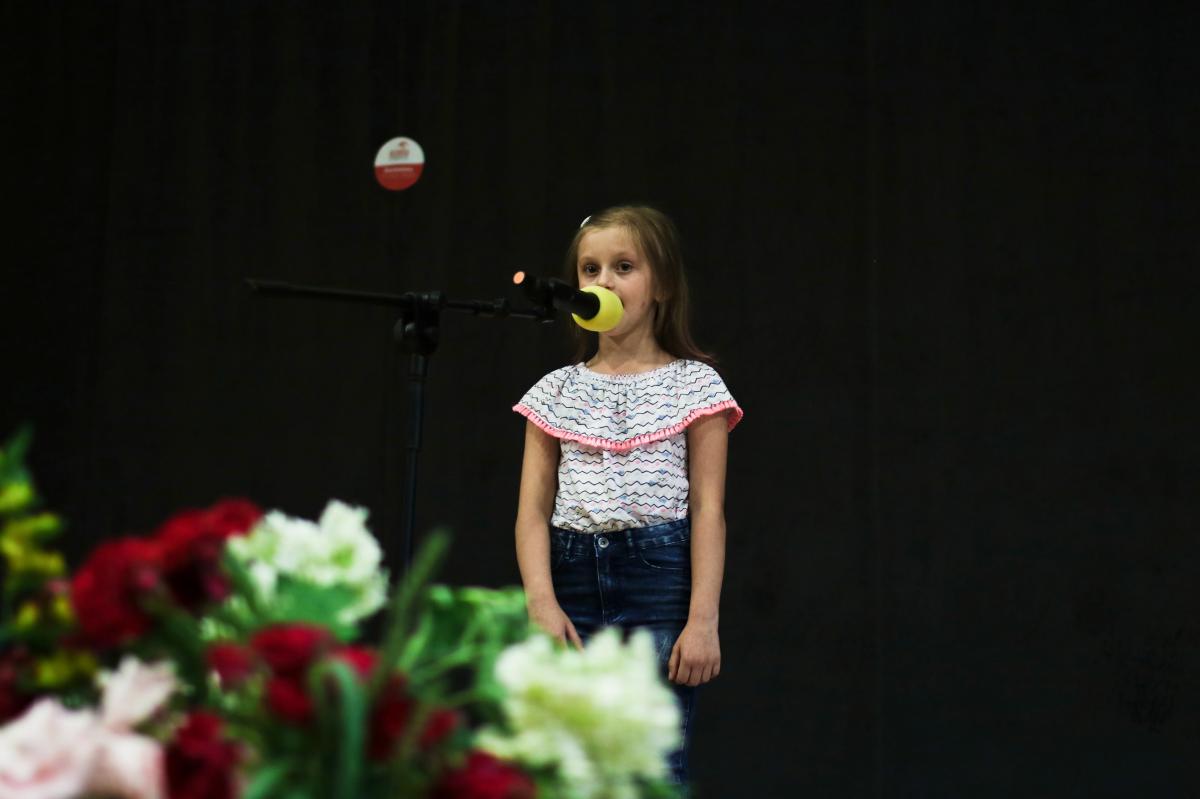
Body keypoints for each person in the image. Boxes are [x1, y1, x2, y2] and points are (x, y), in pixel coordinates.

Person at [512, 205, 743, 788]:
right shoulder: (555, 392)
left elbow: (708, 510)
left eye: (624, 267)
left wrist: (703, 620)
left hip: (657, 582)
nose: (604, 283)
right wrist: (541, 603)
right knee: (571, 769)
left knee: (650, 769)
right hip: (571, 583)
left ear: (660, 284)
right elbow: (531, 514)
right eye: (590, 270)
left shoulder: (694, 385)